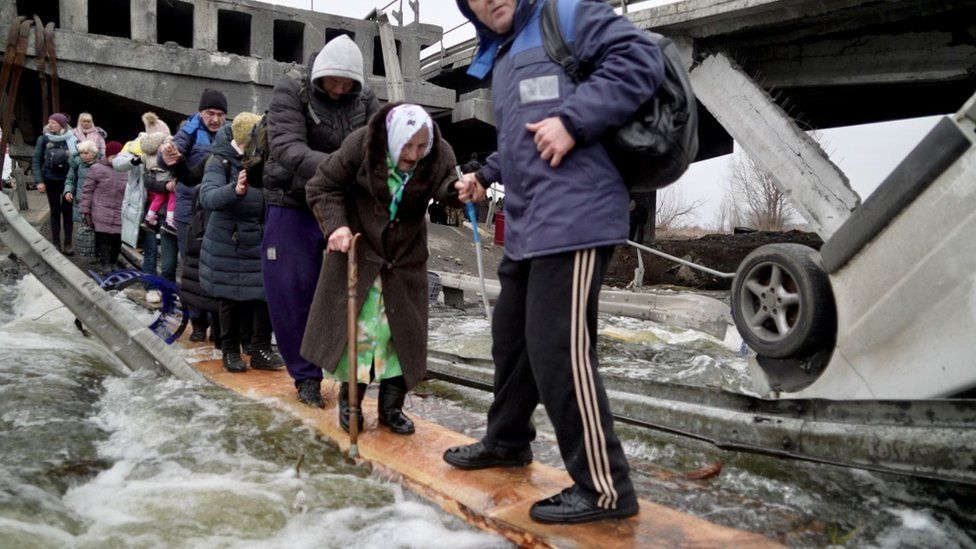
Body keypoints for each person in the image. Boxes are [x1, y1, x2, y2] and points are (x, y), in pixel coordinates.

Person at [446, 0, 665, 524]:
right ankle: (507, 441)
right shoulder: (499, 53)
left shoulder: (565, 15)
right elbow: (523, 138)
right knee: (513, 339)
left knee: (558, 351)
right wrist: (487, 174)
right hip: (529, 223)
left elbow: (641, 60)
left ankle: (605, 486)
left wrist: (573, 119)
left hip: (577, 217)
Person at [302, 103, 461, 435]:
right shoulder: (363, 144)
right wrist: (336, 227)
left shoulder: (437, 153)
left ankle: (391, 409)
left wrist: (459, 192)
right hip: (361, 253)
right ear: (392, 137)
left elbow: (446, 185)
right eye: (407, 145)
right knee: (360, 335)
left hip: (405, 260)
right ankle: (351, 404)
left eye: (421, 146)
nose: (414, 154)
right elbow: (321, 186)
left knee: (398, 337)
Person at [262, 35, 380, 408]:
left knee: (355, 294)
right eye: (333, 83)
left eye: (347, 85)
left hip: (344, 205)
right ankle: (305, 376)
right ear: (320, 75)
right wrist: (340, 169)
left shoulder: (365, 99)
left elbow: (380, 143)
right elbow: (285, 146)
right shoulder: (291, 89)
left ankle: (352, 378)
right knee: (292, 292)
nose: (338, 90)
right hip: (292, 201)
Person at [198, 113, 285, 373]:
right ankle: (230, 350)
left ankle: (260, 349)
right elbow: (208, 197)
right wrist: (234, 191)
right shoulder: (219, 161)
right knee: (231, 299)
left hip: (261, 238)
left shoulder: (266, 160)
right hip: (230, 242)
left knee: (265, 296)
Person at [160, 89, 228, 340]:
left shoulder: (225, 134)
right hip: (188, 210)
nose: (215, 119)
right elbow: (169, 153)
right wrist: (169, 156)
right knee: (192, 268)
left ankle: (217, 323)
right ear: (201, 112)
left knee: (215, 267)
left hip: (216, 210)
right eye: (210, 113)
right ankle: (198, 323)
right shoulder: (189, 129)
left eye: (220, 114)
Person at [114, 132, 178, 303]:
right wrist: (137, 159)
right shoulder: (135, 148)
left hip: (167, 210)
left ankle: (168, 289)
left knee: (168, 255)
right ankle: (150, 287)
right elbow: (118, 163)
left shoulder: (170, 150)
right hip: (144, 209)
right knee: (150, 251)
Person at [31, 113, 78, 254]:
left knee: (68, 212)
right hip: (50, 180)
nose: (50, 125)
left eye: (54, 123)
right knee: (55, 211)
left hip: (67, 181)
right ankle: (56, 243)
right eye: (49, 122)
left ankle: (68, 244)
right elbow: (37, 160)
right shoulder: (43, 139)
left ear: (62, 125)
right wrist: (39, 181)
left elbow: (78, 161)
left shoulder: (72, 138)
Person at [80, 141, 127, 274]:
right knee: (103, 238)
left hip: (119, 209)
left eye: (117, 156)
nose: (114, 159)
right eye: (112, 156)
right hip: (101, 208)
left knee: (117, 239)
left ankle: (113, 261)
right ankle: (106, 264)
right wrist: (85, 209)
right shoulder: (96, 168)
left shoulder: (127, 170)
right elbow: (87, 190)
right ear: (107, 155)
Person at [139, 132, 177, 234]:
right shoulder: (163, 148)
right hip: (168, 177)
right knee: (172, 196)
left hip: (157, 178)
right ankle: (170, 220)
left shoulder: (147, 154)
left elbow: (141, 159)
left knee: (159, 198)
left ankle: (149, 216)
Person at [63, 139, 101, 227]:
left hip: (97, 202)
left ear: (94, 153)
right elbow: (70, 179)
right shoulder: (77, 164)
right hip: (81, 201)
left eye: (86, 153)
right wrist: (68, 191)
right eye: (81, 153)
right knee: (84, 230)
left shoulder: (101, 165)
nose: (83, 156)